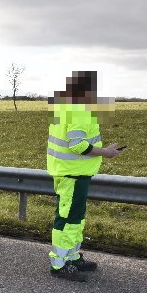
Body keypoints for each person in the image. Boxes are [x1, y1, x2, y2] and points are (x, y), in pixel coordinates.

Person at [46, 71, 121, 282]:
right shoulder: (79, 111)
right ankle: (59, 264)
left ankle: (72, 256)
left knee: (75, 219)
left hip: (72, 173)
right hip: (73, 175)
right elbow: (77, 145)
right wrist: (106, 152)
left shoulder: (66, 108)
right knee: (68, 219)